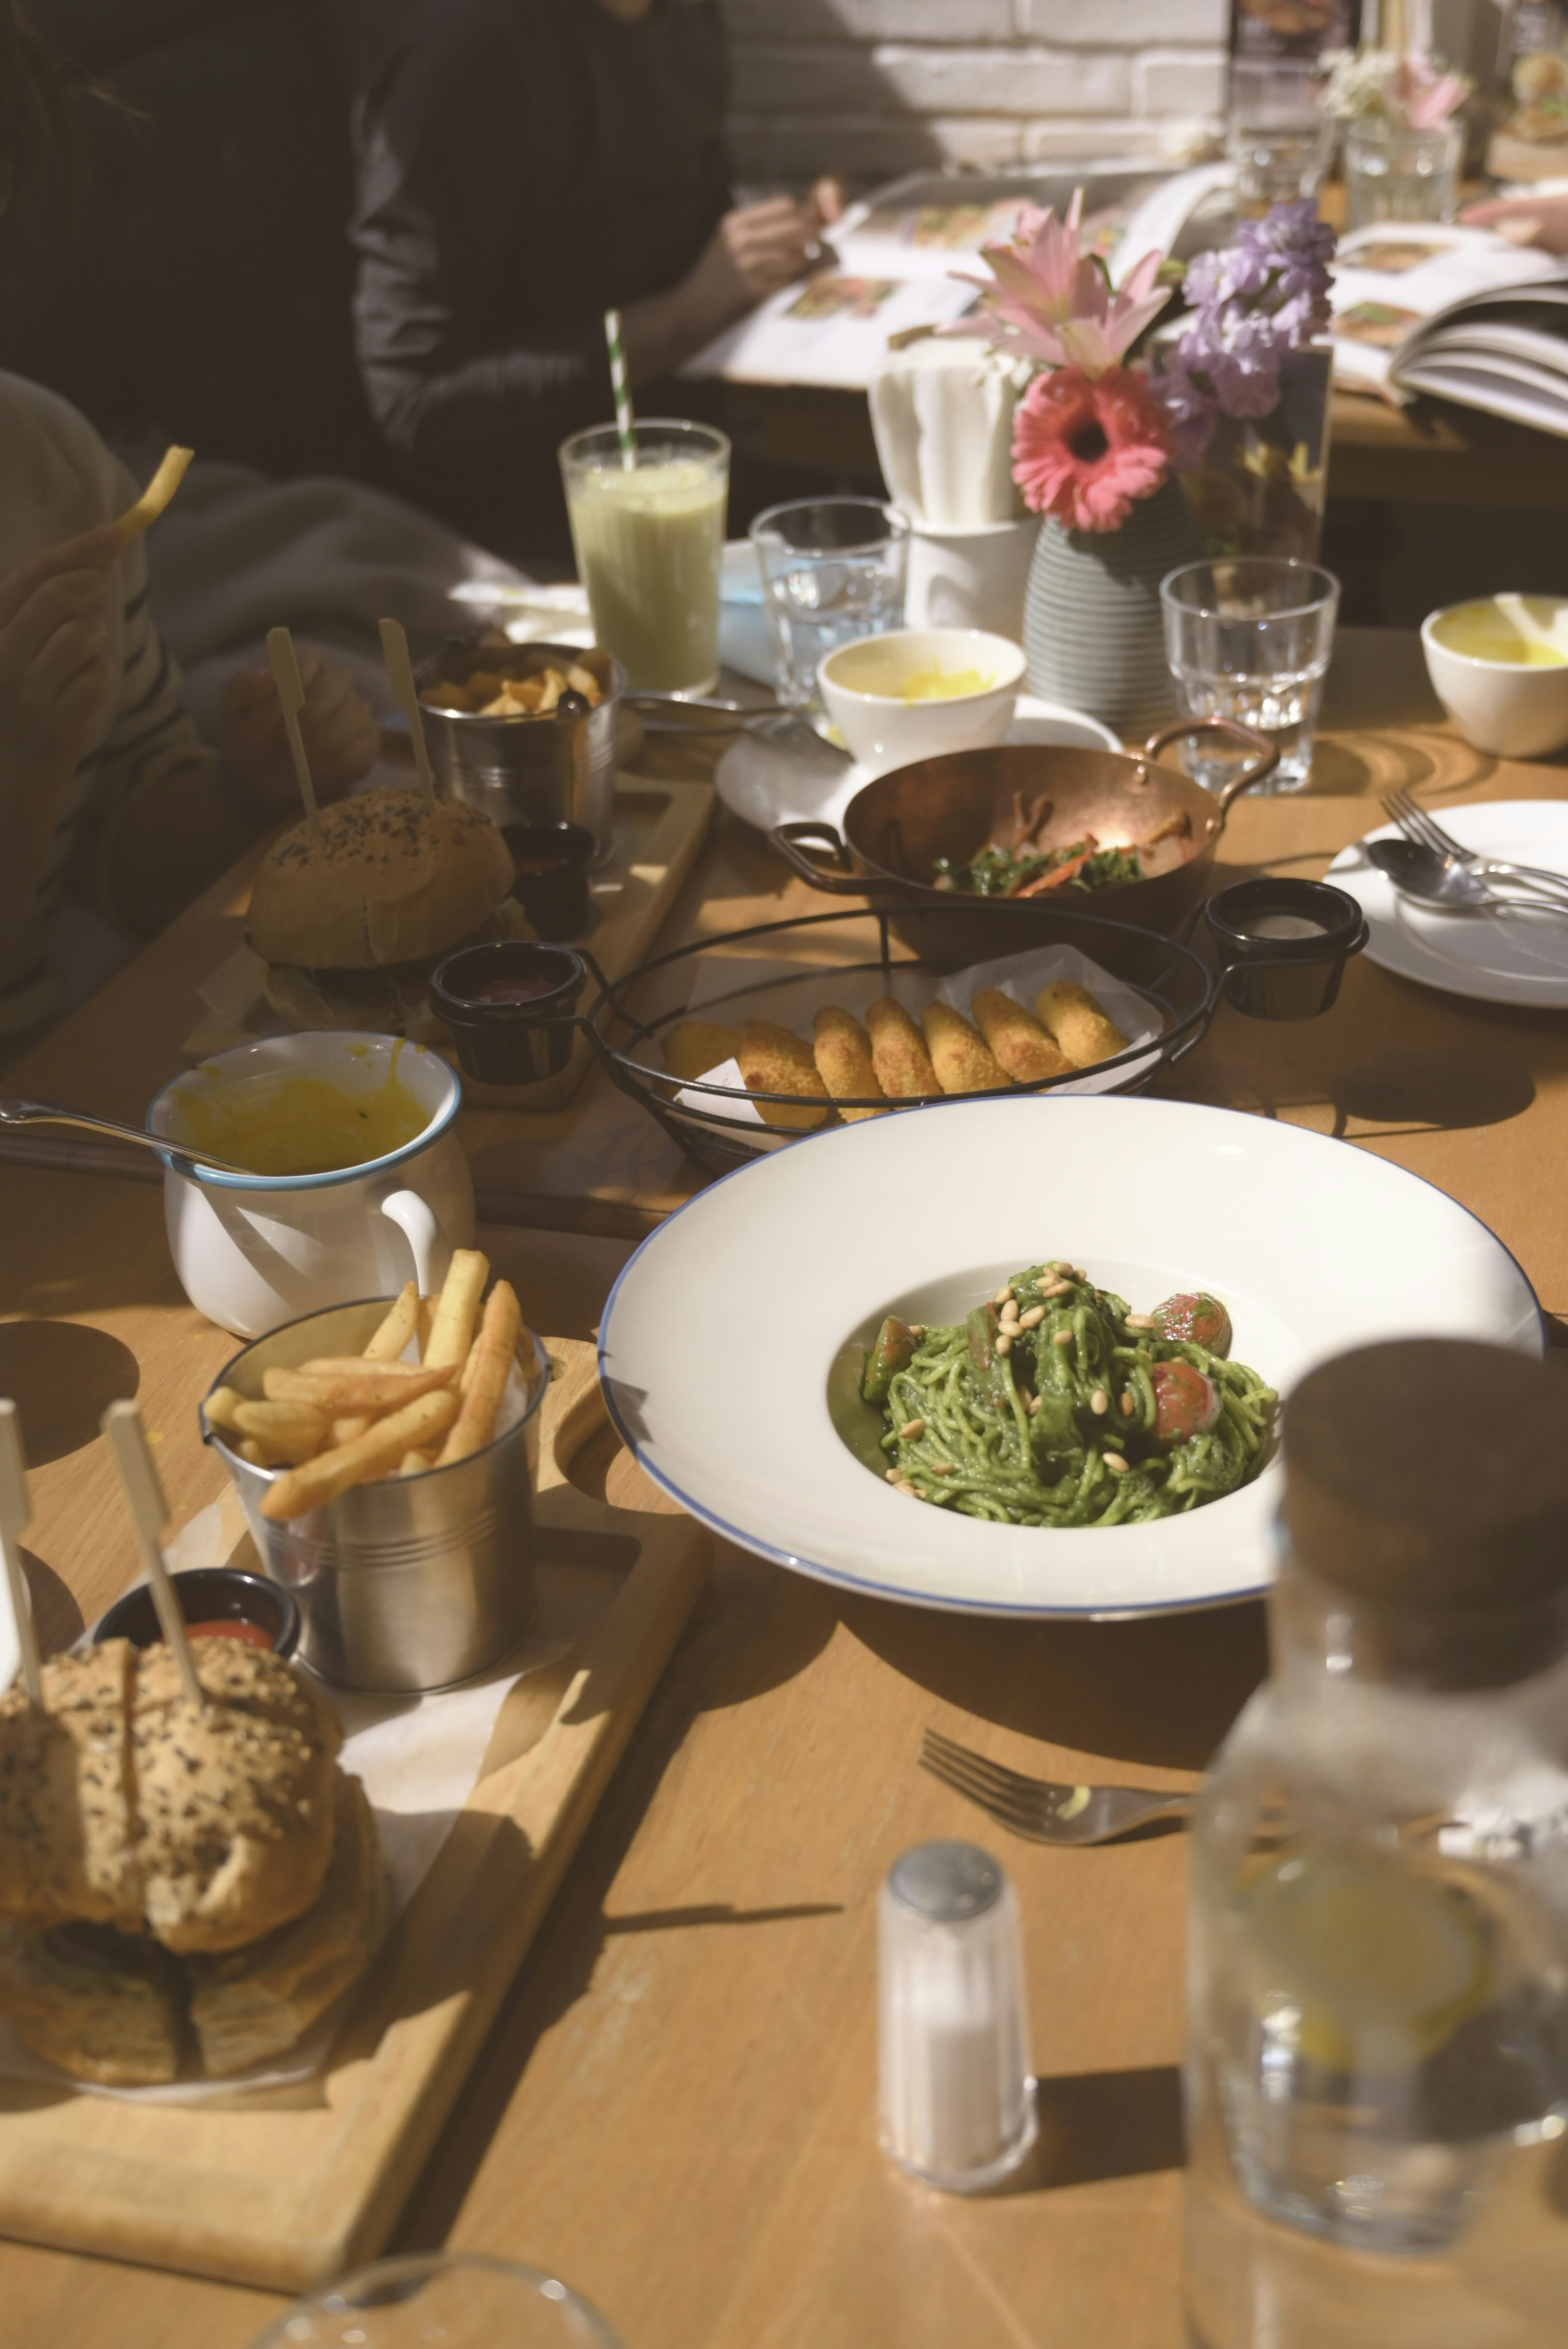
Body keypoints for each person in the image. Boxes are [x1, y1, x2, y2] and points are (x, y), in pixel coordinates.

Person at [0, 0, 380, 1046]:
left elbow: (124, 836)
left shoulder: (55, 462)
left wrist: (244, 784)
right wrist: (25, 762)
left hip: (68, 1080)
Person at [347, 0, 841, 559]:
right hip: (531, 536)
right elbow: (412, 402)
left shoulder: (683, 17)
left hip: (689, 474)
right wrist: (683, 315)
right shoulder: (462, 61)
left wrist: (776, 243)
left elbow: (662, 217)